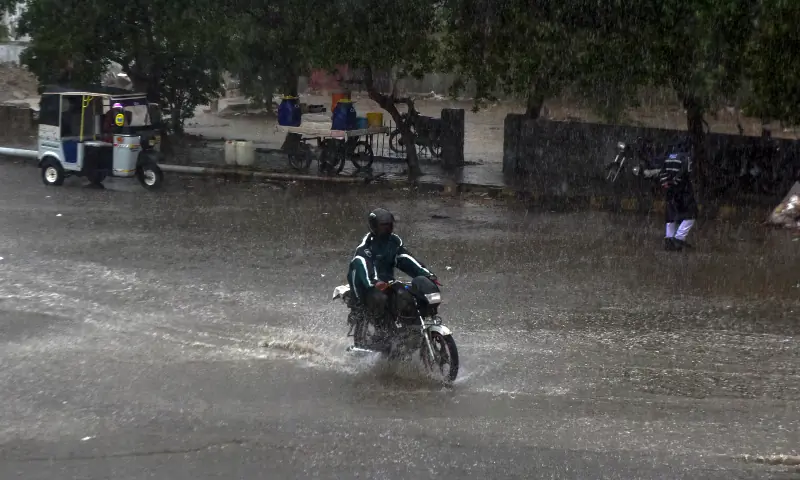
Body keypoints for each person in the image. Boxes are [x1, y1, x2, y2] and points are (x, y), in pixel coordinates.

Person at [347, 208, 439, 333]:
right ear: (374, 226)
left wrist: (427, 274)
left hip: (388, 283)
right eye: (383, 225)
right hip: (366, 287)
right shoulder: (365, 247)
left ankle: (409, 329)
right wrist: (375, 282)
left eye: (389, 225)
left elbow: (406, 259)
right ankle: (383, 333)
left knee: (406, 296)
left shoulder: (393, 242)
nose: (387, 228)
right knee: (380, 299)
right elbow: (364, 266)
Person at [659, 139, 697, 251]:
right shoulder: (686, 157)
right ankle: (679, 238)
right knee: (691, 214)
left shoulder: (669, 156)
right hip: (683, 191)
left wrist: (666, 183)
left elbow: (662, 172)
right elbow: (685, 172)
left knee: (671, 214)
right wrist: (676, 181)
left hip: (670, 191)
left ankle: (669, 240)